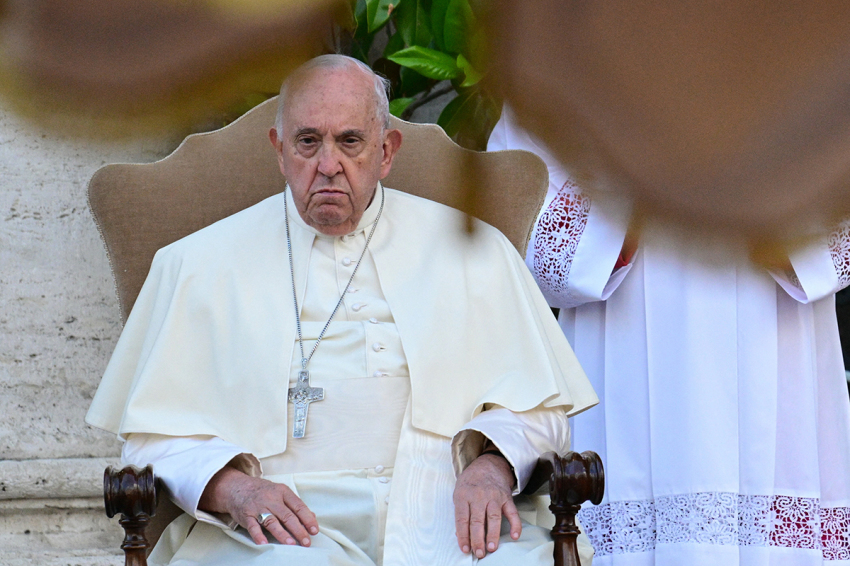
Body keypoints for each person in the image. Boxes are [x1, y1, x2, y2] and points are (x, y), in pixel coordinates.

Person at [85, 56, 599, 566]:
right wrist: (235, 490)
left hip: (442, 504)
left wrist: (492, 467)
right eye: (308, 141)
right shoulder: (194, 265)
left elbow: (541, 410)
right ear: (279, 150)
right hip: (279, 522)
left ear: (386, 151)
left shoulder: (477, 252)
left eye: (350, 142)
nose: (328, 164)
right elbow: (152, 439)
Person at [488, 108, 850, 565]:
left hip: (773, 333)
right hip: (626, 329)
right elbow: (520, 197)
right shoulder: (570, 45)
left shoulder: (795, 40)